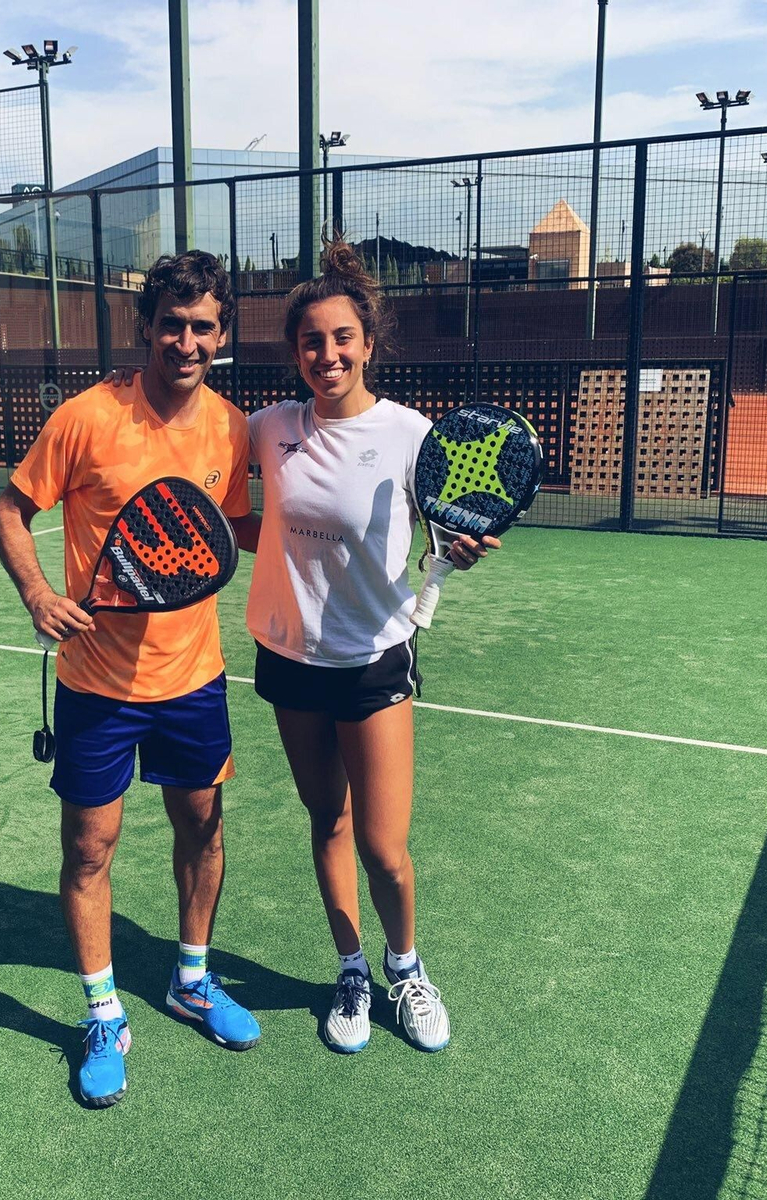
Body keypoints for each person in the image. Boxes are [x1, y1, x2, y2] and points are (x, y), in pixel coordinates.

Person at [0, 250, 259, 1109]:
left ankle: (191, 979)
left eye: (203, 326)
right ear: (146, 326)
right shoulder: (85, 416)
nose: (186, 341)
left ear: (222, 334)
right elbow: (9, 510)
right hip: (96, 687)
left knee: (202, 832)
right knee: (89, 848)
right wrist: (37, 592)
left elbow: (236, 533)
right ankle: (103, 1012)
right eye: (172, 325)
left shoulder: (231, 429)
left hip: (195, 680)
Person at [244, 238, 495, 1054]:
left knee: (385, 850)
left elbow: (445, 532)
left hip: (374, 661)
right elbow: (252, 515)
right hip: (288, 660)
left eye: (342, 338)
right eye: (312, 341)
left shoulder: (411, 435)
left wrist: (453, 551)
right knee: (326, 820)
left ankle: (406, 966)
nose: (327, 354)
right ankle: (350, 968)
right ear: (294, 352)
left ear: (368, 344)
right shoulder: (269, 429)